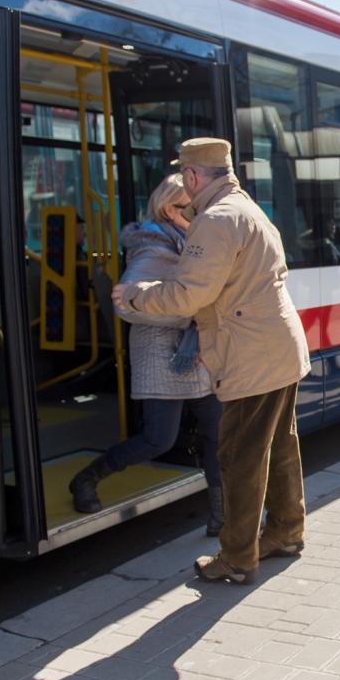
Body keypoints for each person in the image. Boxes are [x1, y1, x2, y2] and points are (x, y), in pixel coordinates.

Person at [113, 138, 310, 584]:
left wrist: (137, 296)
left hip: (251, 357)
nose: (184, 180)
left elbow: (190, 294)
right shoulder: (247, 208)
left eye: (185, 173)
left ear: (195, 176)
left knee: (240, 456)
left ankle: (238, 559)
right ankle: (286, 531)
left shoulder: (216, 221)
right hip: (277, 347)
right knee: (280, 446)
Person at [70, 174, 224, 534]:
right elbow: (126, 305)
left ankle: (221, 518)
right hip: (164, 357)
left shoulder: (190, 244)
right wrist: (187, 315)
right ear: (170, 209)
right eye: (194, 207)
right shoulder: (153, 249)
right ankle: (86, 478)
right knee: (159, 440)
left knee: (216, 434)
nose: (202, 214)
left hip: (195, 354)